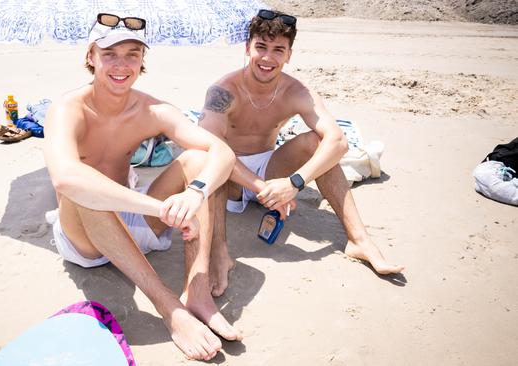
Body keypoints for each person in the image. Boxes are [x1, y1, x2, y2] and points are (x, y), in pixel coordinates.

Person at [43, 13, 241, 361]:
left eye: (132, 54)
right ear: (91, 57)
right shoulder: (67, 108)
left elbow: (221, 152)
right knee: (83, 188)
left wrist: (194, 193)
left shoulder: (152, 109)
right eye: (110, 54)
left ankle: (197, 292)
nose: (122, 65)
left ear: (142, 60)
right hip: (86, 238)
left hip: (135, 224)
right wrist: (160, 208)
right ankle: (169, 307)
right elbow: (65, 178)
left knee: (197, 160)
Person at [199, 9, 404, 292]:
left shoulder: (297, 91)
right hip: (231, 176)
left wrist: (293, 183)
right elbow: (210, 146)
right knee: (213, 157)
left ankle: (360, 240)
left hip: (272, 169)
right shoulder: (223, 90)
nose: (268, 58)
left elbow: (338, 141)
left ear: (289, 55)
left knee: (319, 144)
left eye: (278, 50)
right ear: (248, 48)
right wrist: (259, 186)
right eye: (261, 47)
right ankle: (219, 254)